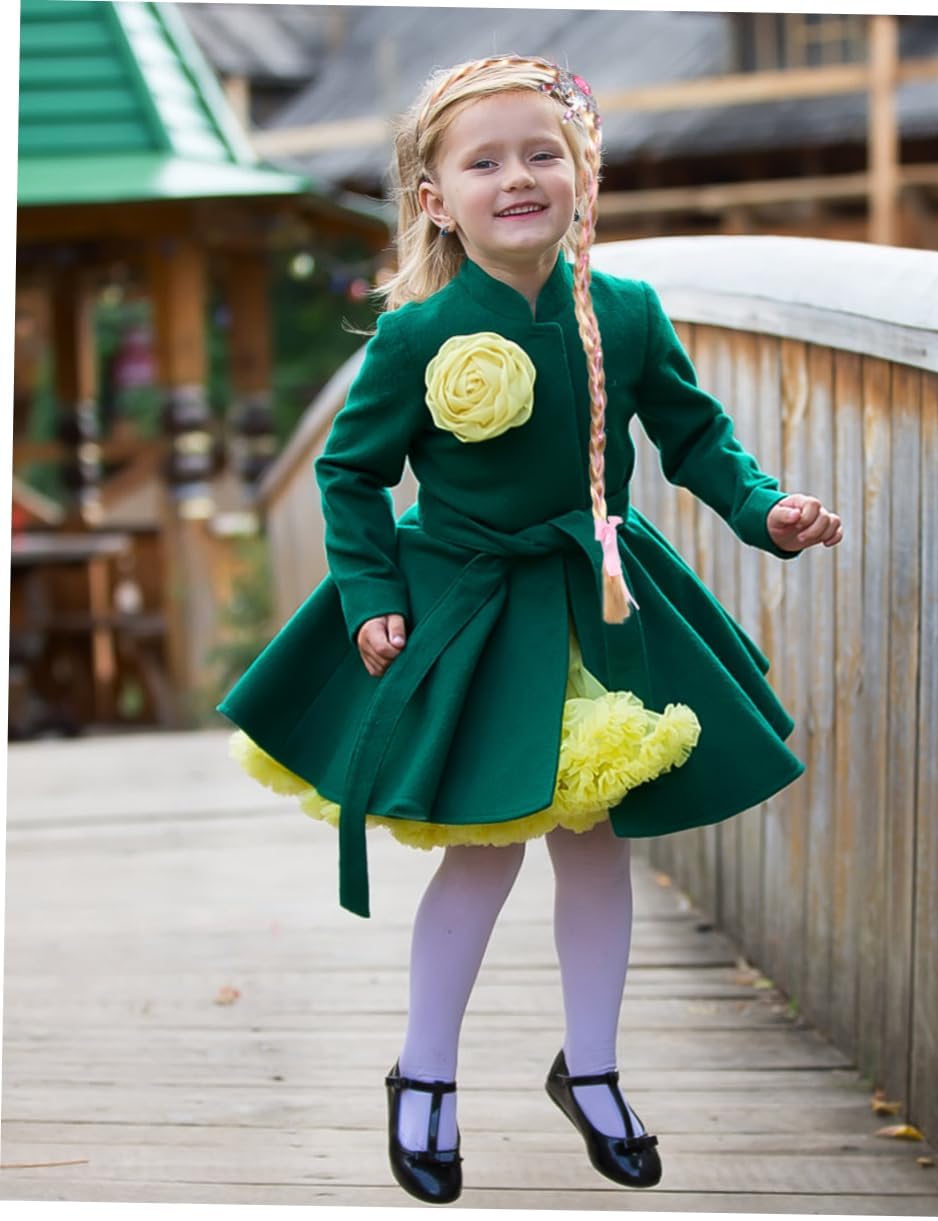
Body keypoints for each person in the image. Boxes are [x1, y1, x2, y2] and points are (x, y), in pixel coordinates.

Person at [218, 54, 842, 1206]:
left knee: (596, 838)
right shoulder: (417, 336)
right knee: (486, 844)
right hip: (474, 610)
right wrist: (370, 593)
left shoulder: (627, 313)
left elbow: (695, 438)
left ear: (582, 177)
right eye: (485, 162)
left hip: (594, 599)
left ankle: (591, 1068)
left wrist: (767, 511)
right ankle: (425, 1073)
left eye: (542, 154)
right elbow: (351, 475)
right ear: (435, 200)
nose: (518, 177)